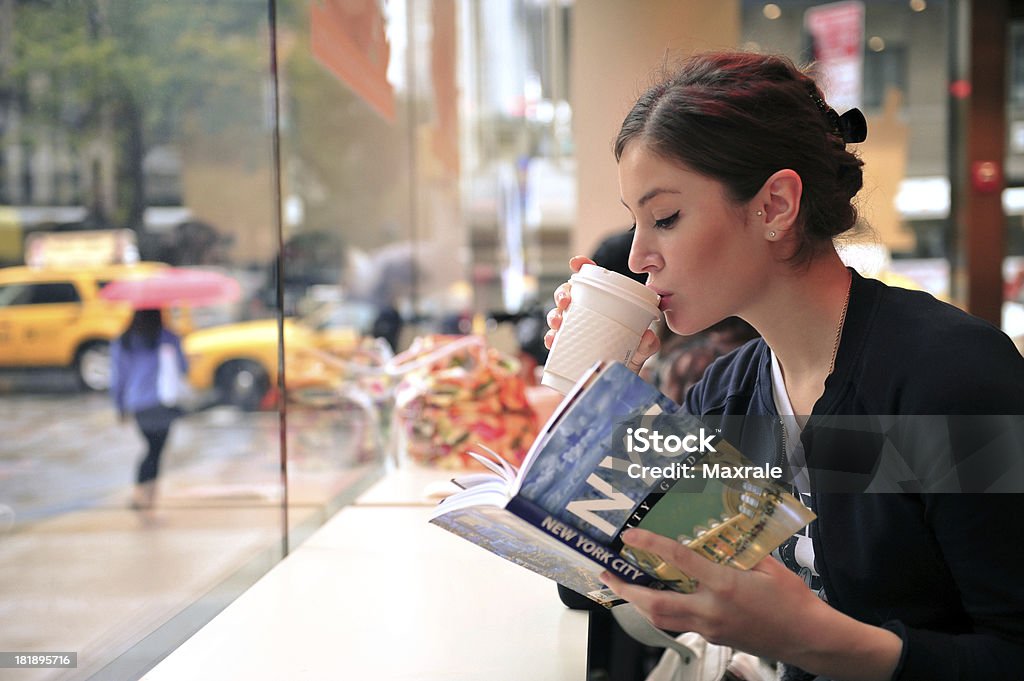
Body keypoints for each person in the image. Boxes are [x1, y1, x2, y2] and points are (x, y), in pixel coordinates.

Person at [545, 51, 1024, 681]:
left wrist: (818, 640)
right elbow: (598, 586)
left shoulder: (950, 377)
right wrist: (608, 408)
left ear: (774, 205)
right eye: (636, 222)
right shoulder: (730, 392)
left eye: (665, 218)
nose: (639, 256)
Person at [111, 309, 188, 511]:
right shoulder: (168, 337)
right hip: (164, 402)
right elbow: (183, 367)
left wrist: (119, 406)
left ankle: (142, 494)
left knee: (151, 449)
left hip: (139, 404)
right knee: (156, 450)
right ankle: (147, 495)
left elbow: (118, 378)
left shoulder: (125, 340)